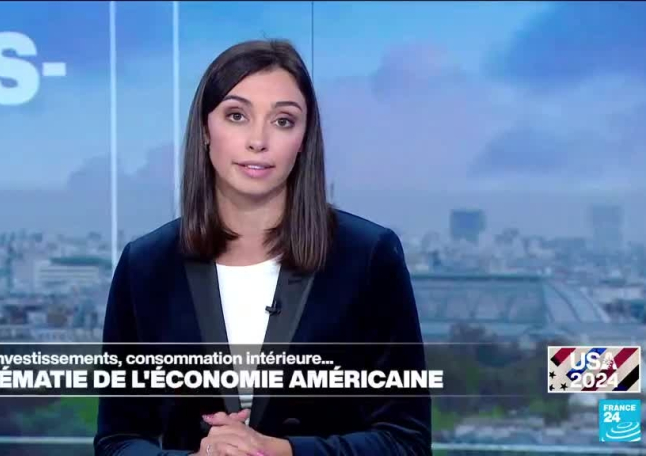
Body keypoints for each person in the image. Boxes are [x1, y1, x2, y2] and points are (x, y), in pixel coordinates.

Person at [94, 39, 431, 456]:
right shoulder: (146, 265)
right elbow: (117, 442)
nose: (258, 140)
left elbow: (406, 441)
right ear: (205, 129)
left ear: (304, 138)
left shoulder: (367, 256)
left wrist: (277, 450)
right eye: (237, 116)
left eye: (283, 121)